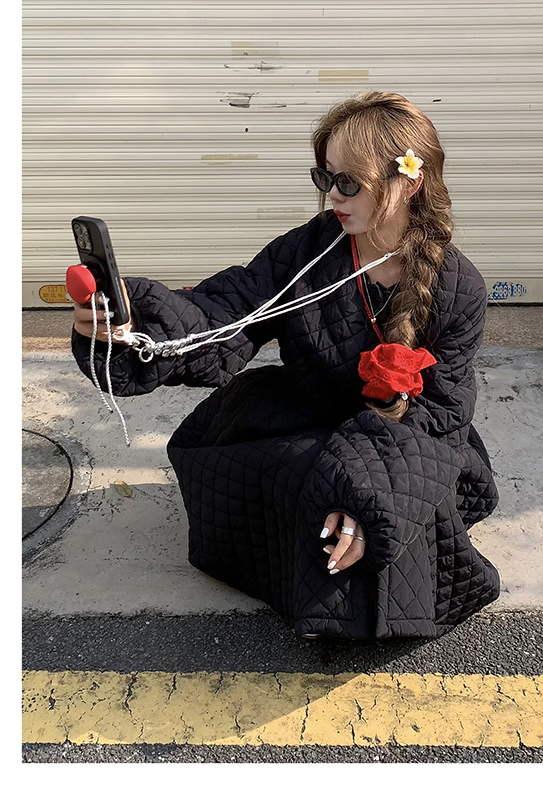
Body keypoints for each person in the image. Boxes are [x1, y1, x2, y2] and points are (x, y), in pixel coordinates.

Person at [72, 90, 500, 640]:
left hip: (408, 440)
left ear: (407, 183)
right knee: (286, 476)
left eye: (349, 182)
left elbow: (440, 413)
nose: (333, 195)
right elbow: (230, 311)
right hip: (307, 414)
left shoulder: (459, 288)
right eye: (326, 177)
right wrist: (137, 327)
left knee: (376, 515)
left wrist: (369, 494)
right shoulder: (309, 250)